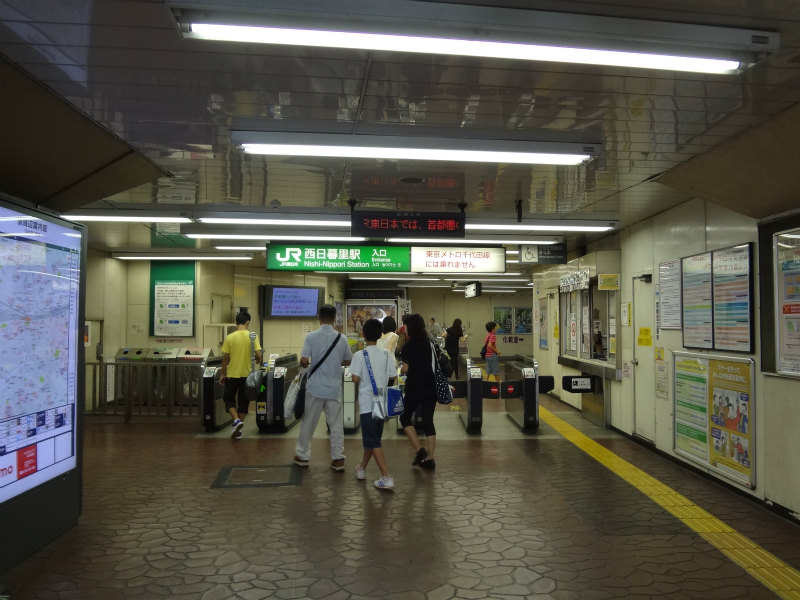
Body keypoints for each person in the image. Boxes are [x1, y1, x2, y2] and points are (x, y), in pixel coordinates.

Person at [293, 304, 353, 470]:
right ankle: (338, 458)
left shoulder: (311, 337)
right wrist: (334, 363)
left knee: (309, 423)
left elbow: (304, 360)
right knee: (335, 425)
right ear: (334, 319)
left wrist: (306, 362)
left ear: (319, 318)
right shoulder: (342, 338)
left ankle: (302, 456)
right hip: (333, 388)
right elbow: (348, 359)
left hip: (315, 388)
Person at [349, 319, 397, 490]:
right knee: (373, 439)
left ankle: (386, 477)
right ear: (380, 335)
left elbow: (354, 378)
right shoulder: (385, 354)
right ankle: (361, 468)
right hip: (382, 404)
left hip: (367, 404)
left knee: (373, 441)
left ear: (363, 334)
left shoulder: (359, 355)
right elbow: (392, 376)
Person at [399, 313, 437, 470]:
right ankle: (430, 459)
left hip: (414, 387)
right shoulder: (431, 343)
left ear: (410, 328)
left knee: (405, 418)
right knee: (429, 422)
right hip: (431, 387)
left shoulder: (408, 346)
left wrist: (401, 371)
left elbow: (405, 369)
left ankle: (419, 449)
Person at [219, 310, 262, 439]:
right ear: (247, 322)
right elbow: (259, 355)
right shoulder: (253, 336)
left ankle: (236, 420)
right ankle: (238, 428)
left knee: (228, 399)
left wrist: (222, 373)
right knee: (244, 402)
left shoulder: (230, 337)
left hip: (232, 374)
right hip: (247, 375)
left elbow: (226, 358)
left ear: (236, 322)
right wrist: (257, 359)